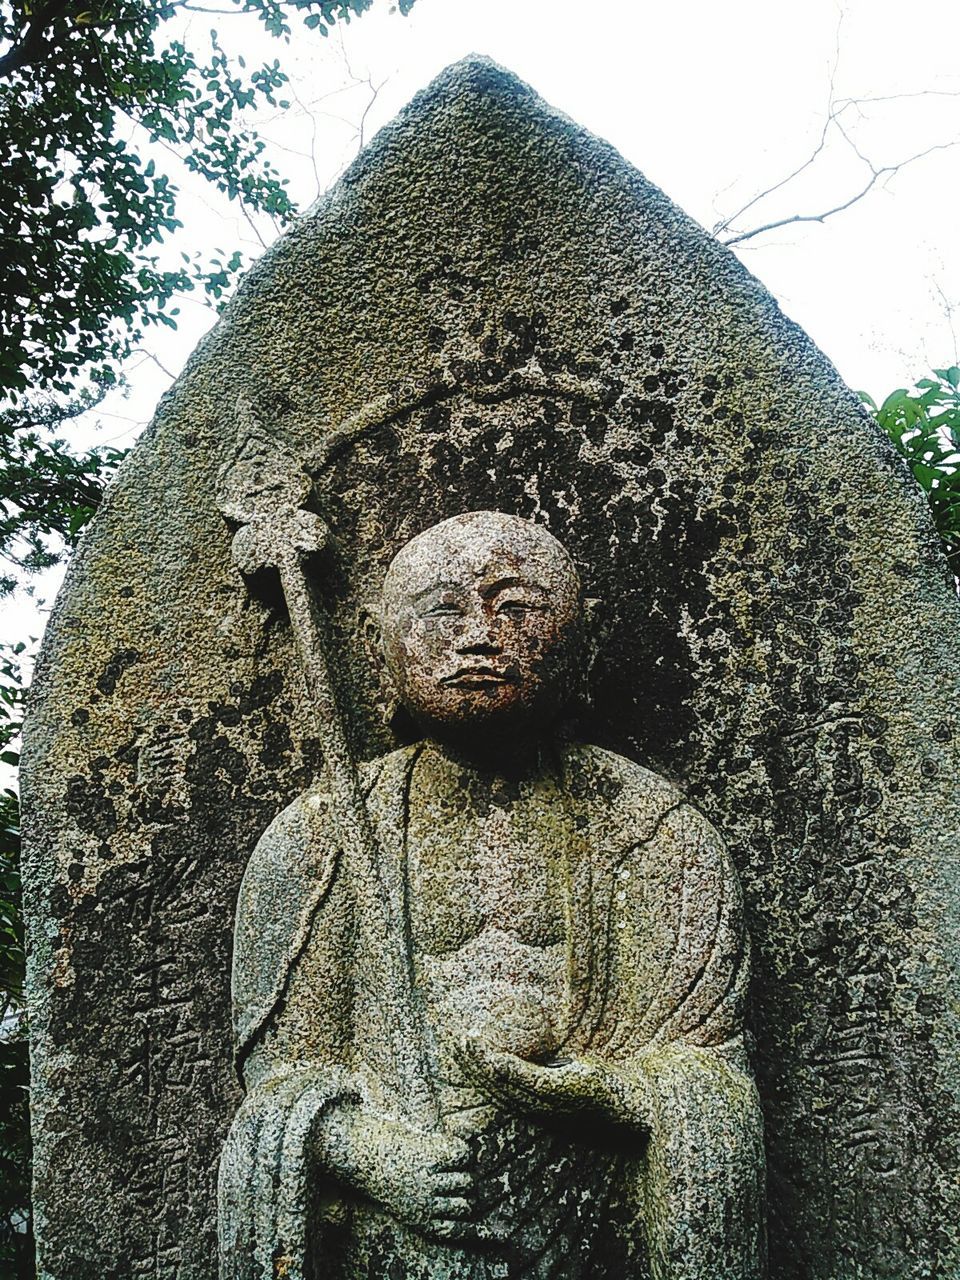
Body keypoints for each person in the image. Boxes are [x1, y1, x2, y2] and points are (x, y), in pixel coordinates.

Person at [218, 510, 765, 1280]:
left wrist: (607, 1093)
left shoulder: (651, 826)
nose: (480, 635)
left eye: (517, 608)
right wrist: (377, 1156)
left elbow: (703, 1066)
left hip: (590, 1201)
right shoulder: (322, 836)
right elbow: (281, 1081)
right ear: (383, 647)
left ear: (579, 638)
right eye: (443, 609)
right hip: (405, 1210)